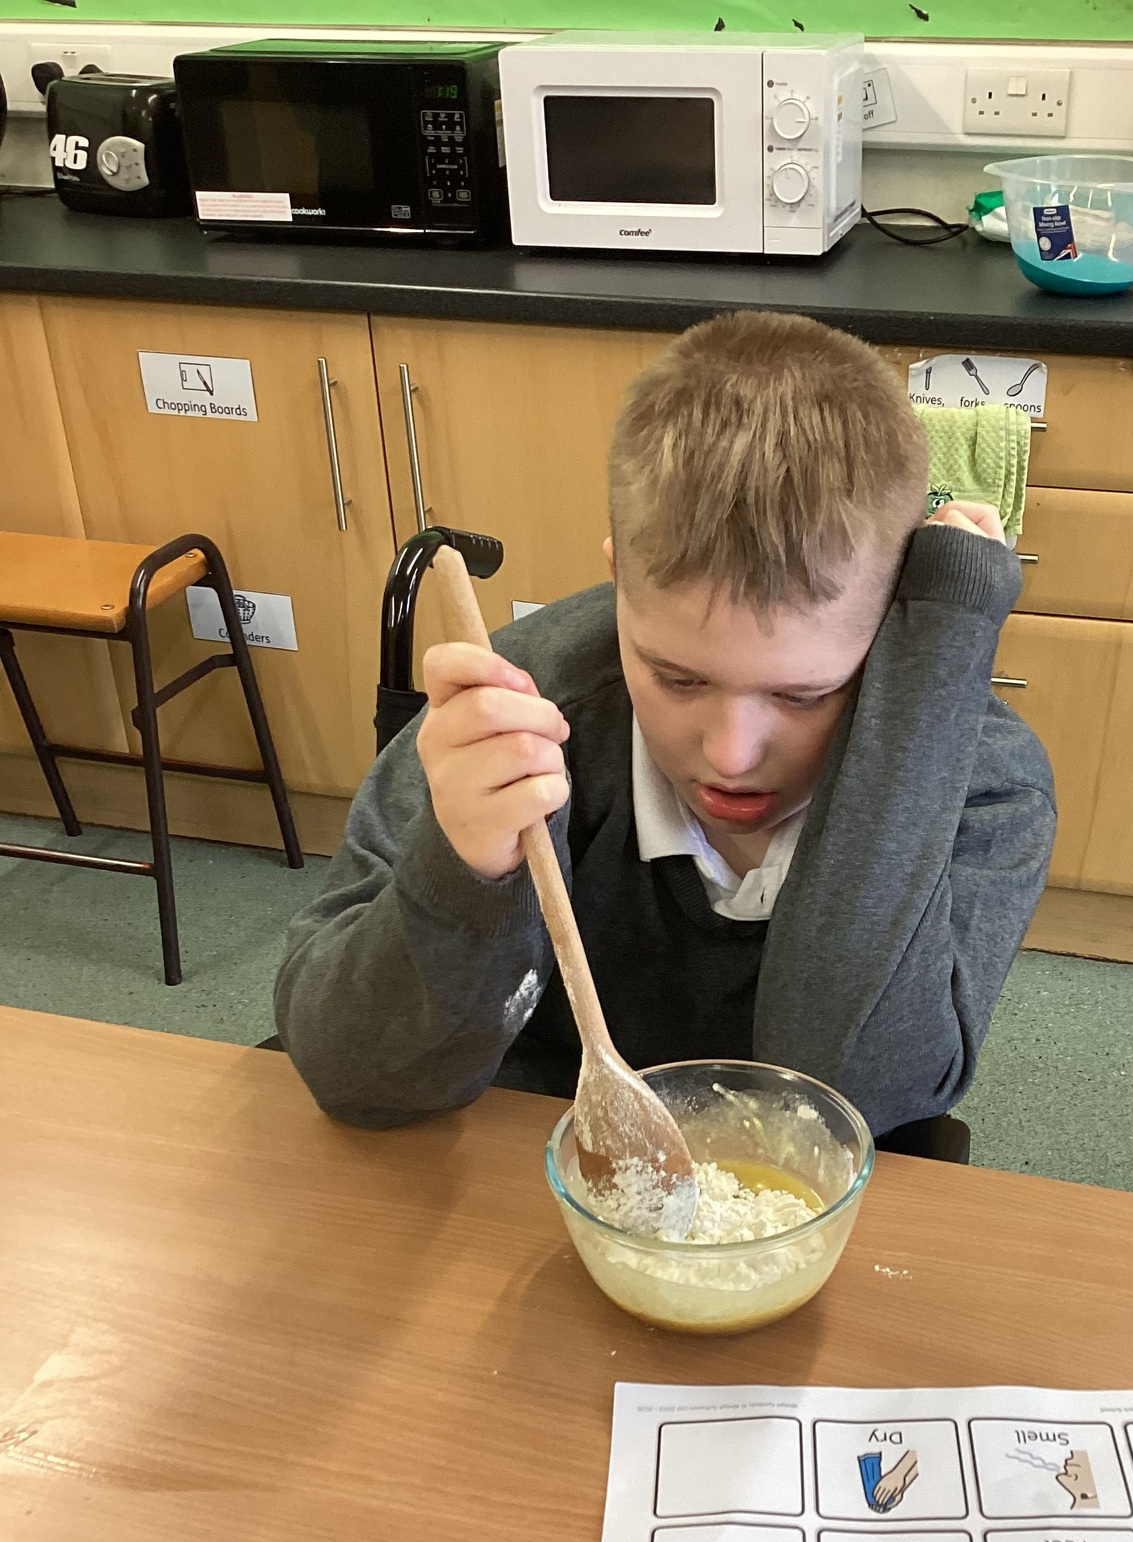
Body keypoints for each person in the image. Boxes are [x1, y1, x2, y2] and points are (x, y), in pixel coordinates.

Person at [276, 311, 1055, 1139]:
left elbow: (848, 1095)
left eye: (804, 695)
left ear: (892, 618)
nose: (732, 756)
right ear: (621, 580)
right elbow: (352, 1077)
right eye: (678, 679)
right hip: (527, 1141)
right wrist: (467, 871)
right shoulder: (522, 711)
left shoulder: (981, 780)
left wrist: (942, 644)